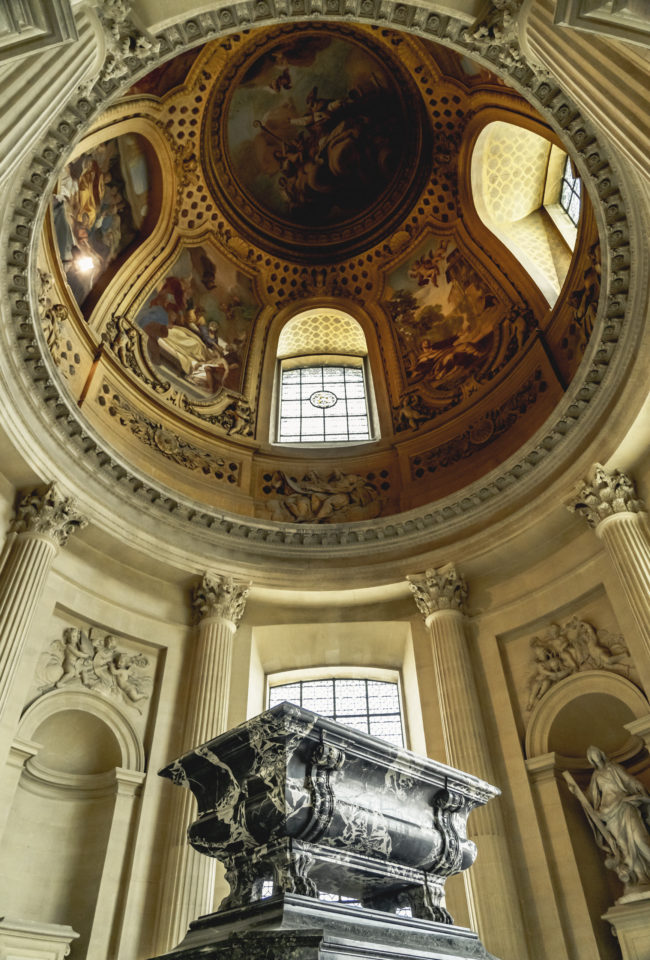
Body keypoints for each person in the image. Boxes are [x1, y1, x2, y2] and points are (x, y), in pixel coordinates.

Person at [585, 745, 650, 886]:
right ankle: (641, 877)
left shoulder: (613, 768)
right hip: (608, 813)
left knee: (640, 839)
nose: (595, 756)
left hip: (624, 805)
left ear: (600, 753)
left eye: (596, 752)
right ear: (591, 759)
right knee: (623, 846)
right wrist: (576, 791)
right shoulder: (595, 776)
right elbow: (591, 796)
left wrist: (639, 788)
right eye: (591, 755)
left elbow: (628, 780)